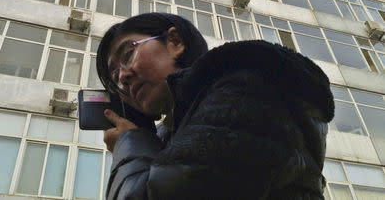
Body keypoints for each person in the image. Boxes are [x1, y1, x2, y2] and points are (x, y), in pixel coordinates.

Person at [96, 12, 334, 200]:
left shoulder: (245, 87)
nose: (123, 77)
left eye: (128, 54)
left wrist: (130, 143)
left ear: (175, 41)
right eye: (115, 76)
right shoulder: (172, 131)